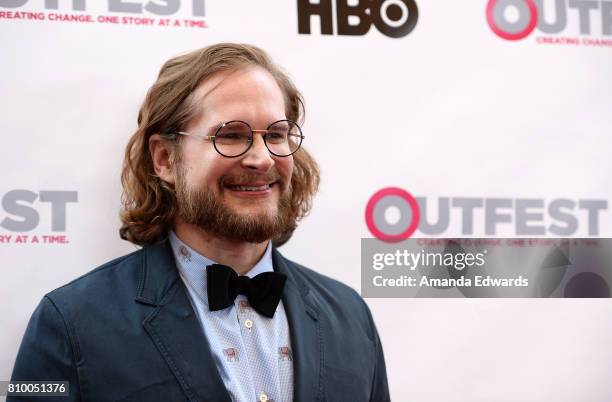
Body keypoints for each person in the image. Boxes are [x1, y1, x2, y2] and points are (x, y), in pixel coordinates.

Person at [10, 43, 390, 402]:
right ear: (164, 159)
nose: (261, 158)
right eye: (231, 135)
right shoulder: (72, 322)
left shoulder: (350, 316)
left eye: (275, 134)